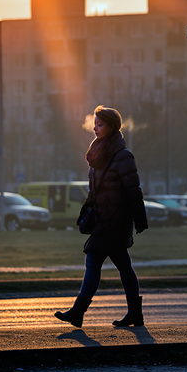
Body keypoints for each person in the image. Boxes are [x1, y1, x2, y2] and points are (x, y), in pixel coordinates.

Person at [55, 105, 148, 328]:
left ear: (112, 126)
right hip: (103, 220)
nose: (96, 128)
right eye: (94, 124)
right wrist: (87, 211)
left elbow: (133, 189)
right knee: (123, 265)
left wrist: (140, 218)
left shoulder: (123, 155)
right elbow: (94, 191)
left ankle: (78, 312)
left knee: (94, 260)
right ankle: (135, 314)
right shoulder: (97, 155)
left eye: (100, 124)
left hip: (116, 221)